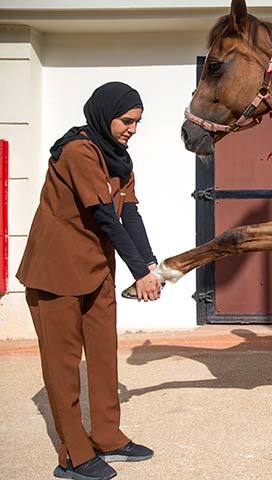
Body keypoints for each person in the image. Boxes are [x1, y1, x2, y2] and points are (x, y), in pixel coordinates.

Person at [17, 82, 162, 480]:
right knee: (63, 365)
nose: (133, 129)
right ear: (104, 114)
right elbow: (103, 214)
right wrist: (139, 273)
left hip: (97, 269)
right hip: (56, 271)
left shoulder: (120, 159)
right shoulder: (78, 151)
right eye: (127, 120)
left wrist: (149, 264)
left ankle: (108, 436)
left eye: (138, 122)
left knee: (102, 354)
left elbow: (129, 213)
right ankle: (74, 456)